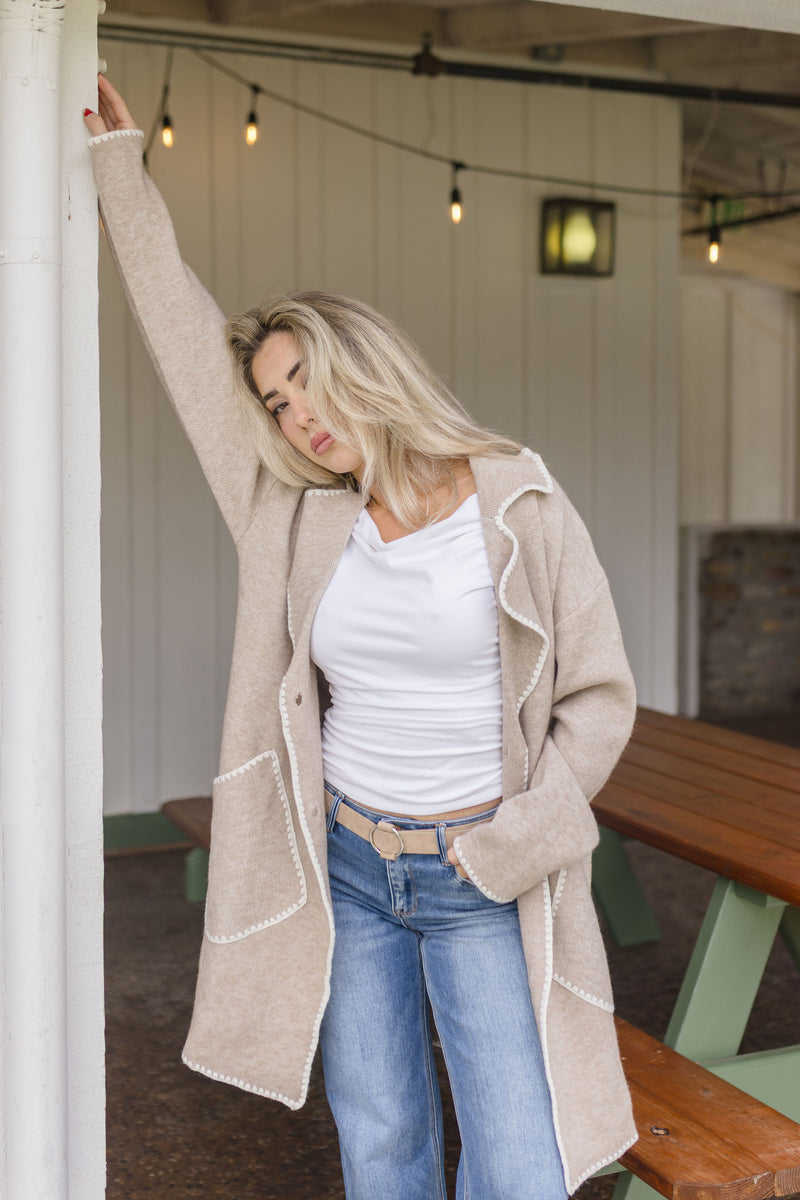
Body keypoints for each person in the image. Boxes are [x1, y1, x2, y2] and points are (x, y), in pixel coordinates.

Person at [85, 74, 638, 1200]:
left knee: (520, 1167)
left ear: (361, 361)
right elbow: (191, 353)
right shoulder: (292, 513)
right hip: (348, 865)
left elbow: (596, 696)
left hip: (479, 869)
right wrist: (121, 175)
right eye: (277, 405)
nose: (297, 416)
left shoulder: (513, 497)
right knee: (380, 1147)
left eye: (303, 383)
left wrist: (516, 842)